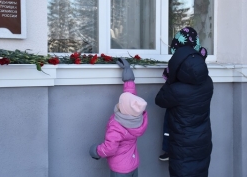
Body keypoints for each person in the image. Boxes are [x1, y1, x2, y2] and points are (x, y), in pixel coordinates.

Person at [155, 27, 213, 177]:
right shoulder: (208, 82)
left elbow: (160, 100)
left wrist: (171, 78)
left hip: (182, 149)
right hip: (203, 144)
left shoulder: (176, 90)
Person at [89, 59, 148, 177]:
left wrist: (96, 151)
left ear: (123, 108)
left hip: (120, 170)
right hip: (132, 164)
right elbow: (131, 96)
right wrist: (127, 72)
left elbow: (110, 148)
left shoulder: (117, 126)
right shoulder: (137, 117)